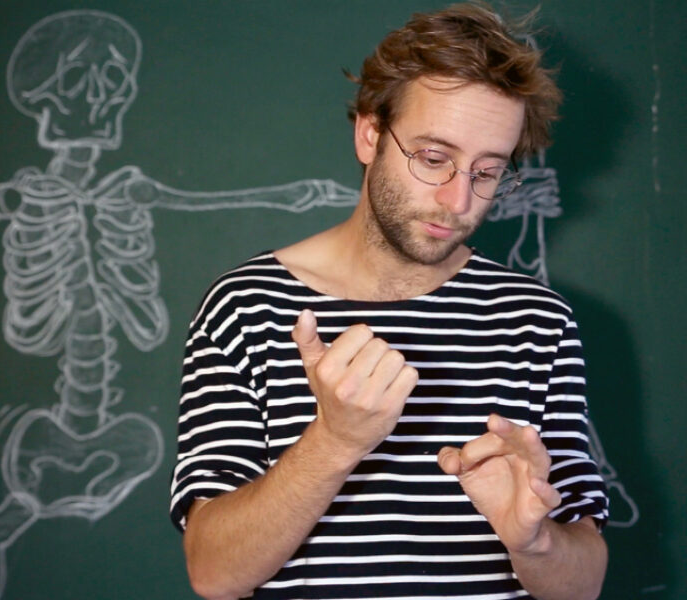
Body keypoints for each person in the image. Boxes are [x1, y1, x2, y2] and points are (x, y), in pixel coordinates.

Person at [170, 3, 609, 599]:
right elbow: (213, 573)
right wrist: (334, 442)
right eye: (433, 158)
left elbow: (583, 584)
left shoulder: (537, 321)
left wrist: (534, 542)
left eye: (487, 172)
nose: (458, 201)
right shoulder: (245, 305)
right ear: (370, 133)